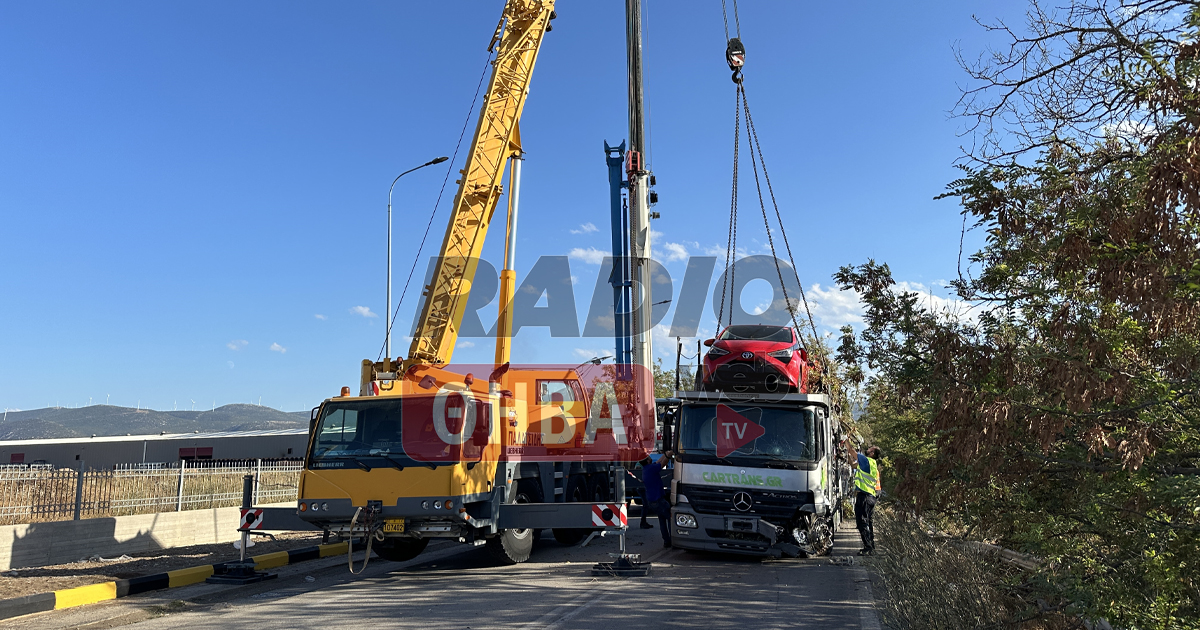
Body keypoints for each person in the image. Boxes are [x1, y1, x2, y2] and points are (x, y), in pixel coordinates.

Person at [847, 441, 882, 555]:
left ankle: (868, 548)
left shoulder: (867, 461)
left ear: (872, 453)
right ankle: (871, 546)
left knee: (862, 522)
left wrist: (845, 440)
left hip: (865, 496)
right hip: (870, 497)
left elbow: (852, 451)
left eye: (870, 449)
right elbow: (853, 465)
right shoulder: (871, 464)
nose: (868, 449)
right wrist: (848, 454)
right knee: (868, 522)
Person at [640, 451, 672, 547]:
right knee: (671, 518)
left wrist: (665, 454)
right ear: (648, 460)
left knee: (662, 520)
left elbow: (658, 462)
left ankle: (666, 541)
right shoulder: (651, 469)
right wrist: (668, 456)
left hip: (652, 501)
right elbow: (662, 464)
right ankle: (673, 539)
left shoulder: (647, 469)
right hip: (658, 500)